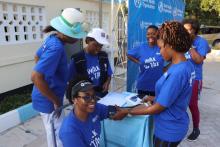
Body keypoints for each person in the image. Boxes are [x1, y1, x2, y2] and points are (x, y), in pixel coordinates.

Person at [116, 21, 195, 147]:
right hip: (176, 123)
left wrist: (126, 111)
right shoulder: (186, 65)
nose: (160, 52)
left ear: (169, 45)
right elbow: (174, 96)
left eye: (161, 48)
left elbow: (158, 107)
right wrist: (152, 98)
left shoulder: (177, 72)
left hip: (168, 130)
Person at [31, 8, 89, 147]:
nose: (78, 38)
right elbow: (35, 76)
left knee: (57, 131)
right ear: (65, 32)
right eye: (76, 35)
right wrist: (55, 100)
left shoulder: (52, 38)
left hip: (49, 95)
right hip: (48, 100)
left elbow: (37, 56)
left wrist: (49, 74)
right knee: (56, 135)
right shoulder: (56, 48)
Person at [59, 77, 125, 147]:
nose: (93, 100)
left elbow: (113, 111)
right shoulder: (69, 132)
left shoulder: (94, 109)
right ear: (74, 100)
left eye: (93, 96)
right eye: (86, 97)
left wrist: (127, 111)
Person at [182, 19, 211, 141]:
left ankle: (196, 129)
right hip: (182, 77)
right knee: (180, 103)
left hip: (195, 79)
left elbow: (198, 60)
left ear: (195, 30)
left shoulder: (201, 42)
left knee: (192, 105)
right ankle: (181, 125)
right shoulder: (181, 41)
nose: (186, 32)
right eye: (184, 30)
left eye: (189, 30)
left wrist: (190, 47)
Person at [68, 28, 112, 98]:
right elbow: (70, 81)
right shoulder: (77, 59)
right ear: (88, 40)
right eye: (96, 45)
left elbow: (109, 73)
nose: (98, 49)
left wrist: (107, 82)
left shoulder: (103, 56)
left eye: (101, 46)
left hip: (102, 95)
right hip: (86, 98)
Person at [127, 25, 164, 98]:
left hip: (157, 86)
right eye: (148, 34)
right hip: (143, 85)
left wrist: (166, 68)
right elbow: (128, 54)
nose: (150, 36)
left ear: (157, 34)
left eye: (153, 34)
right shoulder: (141, 47)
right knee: (142, 106)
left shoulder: (161, 48)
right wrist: (138, 62)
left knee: (155, 108)